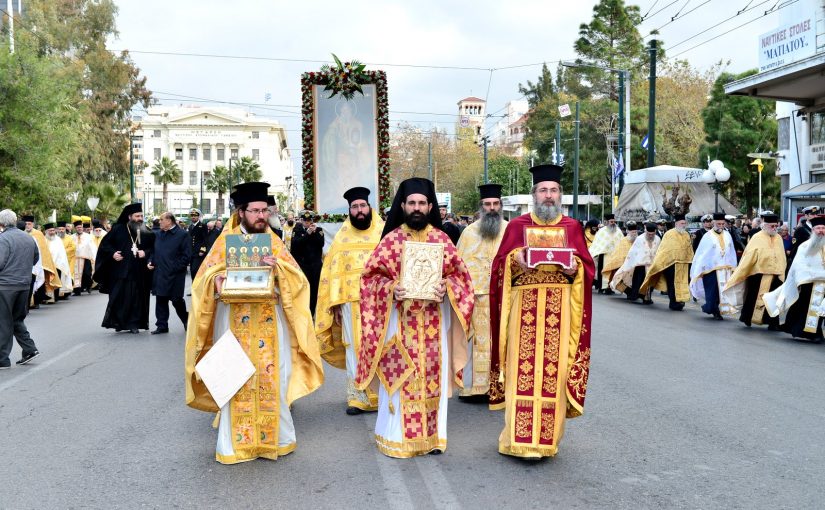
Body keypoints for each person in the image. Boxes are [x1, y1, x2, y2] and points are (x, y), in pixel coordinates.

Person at [184, 181, 324, 464]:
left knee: (275, 376)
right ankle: (236, 445)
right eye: (255, 211)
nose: (262, 216)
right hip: (234, 324)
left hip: (272, 323)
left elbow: (298, 281)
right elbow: (203, 280)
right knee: (236, 378)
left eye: (265, 210)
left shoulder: (274, 241)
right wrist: (217, 282)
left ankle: (278, 439)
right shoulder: (225, 242)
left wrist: (280, 271)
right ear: (241, 212)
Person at [355, 177, 474, 458]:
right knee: (401, 377)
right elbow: (369, 279)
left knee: (432, 375)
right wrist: (391, 288)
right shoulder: (391, 241)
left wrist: (449, 287)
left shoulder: (442, 239)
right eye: (412, 203)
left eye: (422, 203)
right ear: (404, 206)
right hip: (400, 324)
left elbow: (462, 278)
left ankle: (433, 437)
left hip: (434, 323)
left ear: (430, 206)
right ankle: (396, 437)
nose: (417, 207)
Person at [488, 164, 594, 458]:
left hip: (560, 317)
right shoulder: (517, 226)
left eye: (554, 190)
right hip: (523, 313)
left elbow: (588, 269)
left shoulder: (572, 228)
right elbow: (498, 268)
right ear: (534, 195)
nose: (549, 196)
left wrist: (576, 270)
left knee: (554, 376)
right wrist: (514, 260)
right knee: (520, 373)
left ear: (561, 195)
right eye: (543, 190)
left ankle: (548, 441)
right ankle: (516, 439)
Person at [316, 187, 384, 415]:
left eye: (362, 206)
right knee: (355, 349)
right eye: (354, 207)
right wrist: (333, 303)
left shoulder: (383, 232)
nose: (359, 210)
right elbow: (331, 271)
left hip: (381, 302)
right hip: (350, 304)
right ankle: (358, 398)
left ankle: (383, 396)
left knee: (382, 347)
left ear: (369, 207)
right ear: (350, 210)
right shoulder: (342, 237)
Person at [455, 183, 508, 400]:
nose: (492, 208)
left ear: (500, 205)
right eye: (487, 204)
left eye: (495, 204)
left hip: (503, 297)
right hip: (476, 298)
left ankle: (501, 386)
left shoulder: (510, 229)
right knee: (477, 342)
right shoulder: (468, 233)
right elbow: (458, 264)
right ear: (481, 206)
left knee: (501, 340)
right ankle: (475, 387)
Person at [94, 203, 154, 334]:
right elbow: (105, 245)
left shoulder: (145, 230)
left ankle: (134, 323)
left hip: (138, 271)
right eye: (137, 216)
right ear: (129, 216)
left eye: (141, 216)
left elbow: (154, 247)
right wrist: (113, 253)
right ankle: (119, 322)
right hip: (120, 270)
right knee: (119, 297)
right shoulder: (118, 229)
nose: (140, 218)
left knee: (136, 298)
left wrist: (146, 253)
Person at [764, 216, 825, 342]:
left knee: (821, 310)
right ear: (813, 230)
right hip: (809, 282)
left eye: (823, 228)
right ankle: (811, 333)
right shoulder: (805, 246)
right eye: (818, 228)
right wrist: (807, 276)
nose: (821, 231)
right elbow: (798, 265)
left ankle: (816, 332)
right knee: (807, 308)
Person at [721, 214, 785, 328]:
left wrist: (782, 271)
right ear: (765, 225)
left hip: (775, 274)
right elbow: (748, 256)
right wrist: (744, 270)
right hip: (758, 274)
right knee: (753, 297)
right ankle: (747, 317)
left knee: (773, 299)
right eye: (772, 226)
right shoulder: (757, 237)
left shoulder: (778, 238)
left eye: (776, 226)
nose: (775, 228)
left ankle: (772, 323)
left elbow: (782, 256)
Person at [0, 210, 41, 369]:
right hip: (24, 285)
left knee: (3, 321)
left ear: (2, 223)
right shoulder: (29, 238)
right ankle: (30, 349)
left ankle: (2, 359)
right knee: (16, 319)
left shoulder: (3, 239)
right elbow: (35, 258)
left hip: (6, 286)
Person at [147, 212, 191, 334]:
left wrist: (175, 267)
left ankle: (186, 319)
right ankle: (162, 325)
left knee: (176, 300)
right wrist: (150, 261)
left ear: (169, 221)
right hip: (160, 272)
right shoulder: (158, 234)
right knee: (161, 299)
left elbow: (186, 255)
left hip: (175, 274)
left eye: (161, 219)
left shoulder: (182, 234)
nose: (159, 222)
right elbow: (153, 252)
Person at [640, 214, 694, 310]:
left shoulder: (686, 234)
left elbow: (689, 248)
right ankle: (674, 303)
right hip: (671, 264)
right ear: (676, 223)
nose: (684, 225)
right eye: (682, 223)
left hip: (683, 264)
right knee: (672, 285)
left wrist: (691, 260)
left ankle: (680, 301)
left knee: (683, 283)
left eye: (684, 223)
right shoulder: (669, 234)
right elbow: (664, 250)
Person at [690, 212, 738, 320]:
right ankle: (713, 309)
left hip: (724, 269)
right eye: (719, 224)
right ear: (714, 223)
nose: (721, 226)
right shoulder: (707, 236)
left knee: (721, 292)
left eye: (722, 224)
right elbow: (701, 253)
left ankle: (717, 310)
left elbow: (731, 251)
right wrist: (700, 268)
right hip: (710, 270)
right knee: (712, 292)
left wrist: (733, 266)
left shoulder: (727, 235)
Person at [611, 222, 660, 304]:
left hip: (652, 265)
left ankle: (647, 298)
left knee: (649, 283)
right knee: (638, 282)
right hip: (640, 265)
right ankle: (635, 295)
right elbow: (633, 252)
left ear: (655, 232)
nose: (651, 236)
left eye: (652, 234)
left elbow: (659, 252)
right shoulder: (640, 239)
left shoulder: (658, 239)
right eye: (649, 234)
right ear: (646, 231)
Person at [290, 210, 324, 315]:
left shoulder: (318, 230)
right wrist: (307, 234)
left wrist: (313, 233)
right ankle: (303, 313)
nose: (307, 223)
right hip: (303, 266)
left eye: (309, 220)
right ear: (301, 220)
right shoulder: (297, 230)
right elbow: (295, 246)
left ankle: (312, 312)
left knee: (314, 290)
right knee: (303, 290)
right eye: (305, 220)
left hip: (315, 266)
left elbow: (321, 244)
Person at [22, 216, 61, 306]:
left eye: (29, 224)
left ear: (33, 224)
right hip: (25, 262)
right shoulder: (21, 233)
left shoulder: (38, 234)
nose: (27, 226)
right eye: (26, 224)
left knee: (38, 280)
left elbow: (43, 250)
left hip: (37, 262)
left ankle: (36, 302)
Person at [589, 214, 624, 294]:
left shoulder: (618, 231)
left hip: (614, 256)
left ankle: (609, 288)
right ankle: (602, 287)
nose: (613, 223)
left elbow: (621, 242)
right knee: (603, 272)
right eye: (611, 221)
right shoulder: (602, 231)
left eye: (614, 222)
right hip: (604, 255)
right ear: (607, 222)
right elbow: (597, 243)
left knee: (612, 272)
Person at [601, 221, 637, 288]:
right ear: (628, 232)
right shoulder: (623, 240)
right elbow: (619, 253)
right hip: (623, 264)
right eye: (632, 232)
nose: (634, 234)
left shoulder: (638, 240)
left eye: (635, 232)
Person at [43, 223, 73, 301]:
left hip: (57, 264)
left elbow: (61, 253)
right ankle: (46, 297)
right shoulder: (43, 240)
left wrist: (59, 262)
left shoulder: (58, 240)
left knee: (57, 279)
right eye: (50, 231)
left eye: (53, 230)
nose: (52, 232)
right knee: (46, 280)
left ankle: (55, 297)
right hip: (47, 264)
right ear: (46, 231)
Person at [71, 220, 96, 295]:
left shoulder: (88, 236)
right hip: (75, 259)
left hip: (86, 257)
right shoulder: (71, 237)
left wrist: (93, 256)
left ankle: (88, 286)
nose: (79, 228)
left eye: (81, 227)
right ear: (75, 228)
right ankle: (77, 290)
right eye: (78, 227)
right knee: (76, 275)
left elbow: (92, 247)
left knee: (87, 274)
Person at [187, 208, 208, 281]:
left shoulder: (203, 226)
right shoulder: (190, 227)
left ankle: (197, 290)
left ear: (198, 216)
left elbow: (205, 239)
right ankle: (193, 290)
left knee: (195, 270)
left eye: (195, 216)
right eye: (192, 215)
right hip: (191, 252)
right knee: (192, 272)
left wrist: (202, 250)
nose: (193, 217)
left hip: (199, 252)